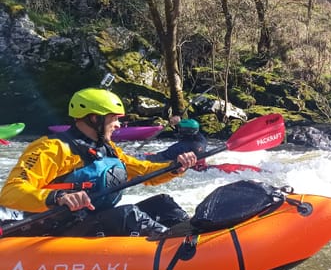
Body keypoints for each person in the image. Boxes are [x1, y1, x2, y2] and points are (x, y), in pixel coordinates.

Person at [0, 88, 198, 237]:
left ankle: (193, 234)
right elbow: (11, 192)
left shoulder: (108, 148)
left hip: (94, 220)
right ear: (94, 118)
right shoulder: (51, 148)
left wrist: (175, 167)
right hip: (57, 227)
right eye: (114, 119)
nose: (118, 125)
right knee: (128, 214)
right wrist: (57, 197)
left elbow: (144, 172)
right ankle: (175, 249)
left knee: (163, 204)